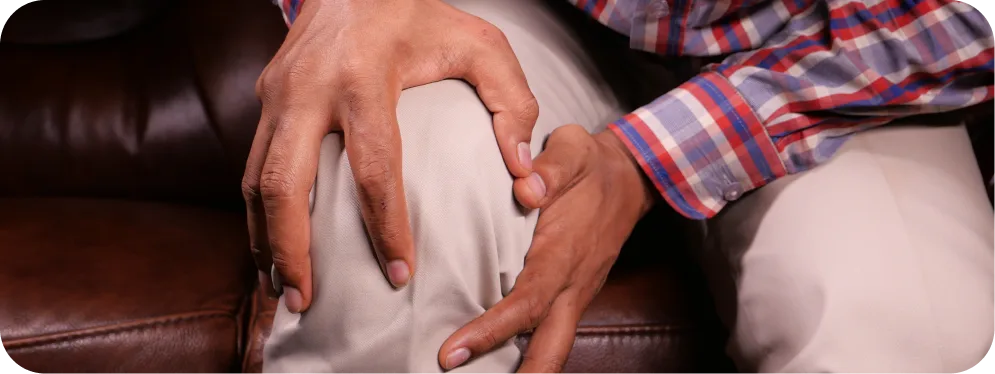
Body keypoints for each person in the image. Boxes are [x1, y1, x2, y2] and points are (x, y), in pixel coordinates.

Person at [243, 0, 995, 372]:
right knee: (403, 186)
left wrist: (645, 161)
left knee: (895, 325)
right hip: (525, 9)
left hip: (842, 49)